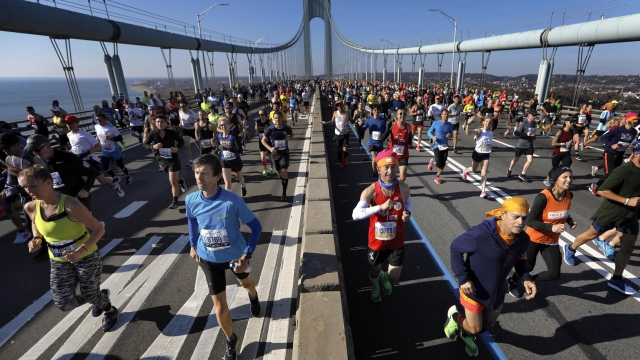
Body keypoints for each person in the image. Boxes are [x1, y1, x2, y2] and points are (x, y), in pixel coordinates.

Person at [19, 165, 118, 332]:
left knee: (89, 294)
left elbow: (99, 229)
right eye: (25, 187)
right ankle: (99, 296)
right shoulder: (30, 207)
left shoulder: (71, 204)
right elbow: (36, 223)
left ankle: (110, 310)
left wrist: (80, 251)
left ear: (48, 182)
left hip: (86, 256)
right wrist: (36, 239)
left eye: (33, 185)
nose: (29, 190)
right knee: (63, 303)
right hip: (58, 260)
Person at [186, 154, 262, 360]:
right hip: (208, 259)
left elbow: (256, 228)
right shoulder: (191, 199)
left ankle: (253, 297)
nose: (199, 178)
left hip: (235, 258)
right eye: (196, 173)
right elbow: (192, 221)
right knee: (219, 308)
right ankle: (230, 339)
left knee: (246, 284)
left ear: (218, 176)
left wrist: (246, 255)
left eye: (204, 174)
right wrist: (193, 245)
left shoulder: (232, 202)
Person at [445, 198, 536, 357]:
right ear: (503, 214)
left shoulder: (523, 239)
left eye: (524, 218)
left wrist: (526, 277)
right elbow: (455, 248)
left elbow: (520, 259)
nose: (520, 222)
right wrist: (463, 278)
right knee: (475, 328)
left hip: (497, 291)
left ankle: (465, 332)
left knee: (489, 323)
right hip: (473, 289)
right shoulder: (481, 234)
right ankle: (456, 318)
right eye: (515, 216)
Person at [564, 142, 640, 295]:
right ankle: (571, 248)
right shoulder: (624, 170)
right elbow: (602, 190)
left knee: (628, 246)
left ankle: (616, 279)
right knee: (591, 234)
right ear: (638, 153)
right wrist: (626, 201)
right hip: (612, 211)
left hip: (631, 215)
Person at [351, 150, 412, 303]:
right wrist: (379, 207)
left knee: (394, 278)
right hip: (377, 242)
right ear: (378, 169)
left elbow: (409, 201)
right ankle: (375, 286)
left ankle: (384, 278)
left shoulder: (404, 188)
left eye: (393, 167)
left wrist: (408, 212)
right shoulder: (370, 191)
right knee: (374, 270)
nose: (389, 171)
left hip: (396, 241)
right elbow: (356, 215)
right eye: (385, 167)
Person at [508, 167, 577, 297]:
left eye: (571, 177)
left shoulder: (569, 195)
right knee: (527, 267)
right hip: (533, 239)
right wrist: (552, 228)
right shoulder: (543, 197)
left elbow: (563, 212)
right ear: (556, 179)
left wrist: (570, 221)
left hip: (551, 241)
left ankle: (529, 280)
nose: (569, 180)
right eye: (565, 177)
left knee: (554, 274)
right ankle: (512, 281)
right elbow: (530, 221)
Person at [25, 134, 97, 212]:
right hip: (56, 199)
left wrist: (86, 189)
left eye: (37, 150)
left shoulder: (68, 157)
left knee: (84, 222)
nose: (35, 153)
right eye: (32, 151)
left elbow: (92, 172)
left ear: (48, 146)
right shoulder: (36, 160)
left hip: (76, 197)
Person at [64, 115, 125, 197]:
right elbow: (74, 146)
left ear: (77, 123)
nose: (69, 125)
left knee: (103, 181)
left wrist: (86, 153)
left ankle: (115, 186)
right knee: (82, 183)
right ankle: (83, 202)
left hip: (92, 161)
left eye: (70, 123)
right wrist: (69, 153)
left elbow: (98, 146)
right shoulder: (69, 135)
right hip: (81, 162)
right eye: (67, 123)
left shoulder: (85, 134)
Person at [143, 115, 187, 209]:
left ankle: (175, 202)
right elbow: (145, 144)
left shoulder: (171, 132)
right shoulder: (153, 133)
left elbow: (181, 141)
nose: (160, 124)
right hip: (162, 159)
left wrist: (177, 148)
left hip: (173, 158)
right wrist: (153, 147)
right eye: (158, 122)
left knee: (172, 181)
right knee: (172, 179)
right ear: (155, 123)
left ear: (166, 123)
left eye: (162, 122)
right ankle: (181, 181)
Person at [589, 112, 639, 196]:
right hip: (609, 153)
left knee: (616, 173)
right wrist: (611, 145)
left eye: (637, 120)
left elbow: (627, 142)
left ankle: (609, 188)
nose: (635, 121)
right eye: (634, 119)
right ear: (628, 120)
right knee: (609, 173)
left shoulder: (633, 132)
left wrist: (629, 146)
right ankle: (595, 185)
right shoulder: (617, 130)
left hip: (620, 154)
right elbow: (603, 138)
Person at [0, 132, 32, 244]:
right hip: (24, 193)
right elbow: (11, 177)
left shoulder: (30, 157)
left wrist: (16, 188)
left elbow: (40, 179)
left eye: (7, 147)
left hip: (39, 193)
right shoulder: (9, 159)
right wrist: (7, 190)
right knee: (30, 222)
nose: (4, 150)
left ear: (18, 144)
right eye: (2, 148)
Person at [262, 112, 294, 201]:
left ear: (281, 118)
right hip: (275, 154)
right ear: (273, 119)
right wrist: (270, 148)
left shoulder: (286, 128)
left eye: (279, 117)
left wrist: (289, 137)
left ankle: (284, 193)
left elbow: (292, 134)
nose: (278, 119)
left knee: (284, 171)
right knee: (278, 172)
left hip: (284, 153)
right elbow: (263, 140)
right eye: (276, 118)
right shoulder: (270, 129)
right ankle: (283, 179)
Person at [94, 114, 133, 185]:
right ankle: (115, 177)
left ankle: (128, 176)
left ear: (105, 119)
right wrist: (98, 138)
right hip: (105, 150)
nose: (98, 121)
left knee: (121, 165)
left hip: (114, 150)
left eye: (100, 119)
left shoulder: (112, 128)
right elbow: (99, 134)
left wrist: (111, 138)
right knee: (104, 166)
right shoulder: (96, 126)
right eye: (97, 119)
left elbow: (120, 138)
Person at [461, 117, 493, 198]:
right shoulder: (480, 131)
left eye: (489, 122)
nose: (488, 123)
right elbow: (468, 133)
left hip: (486, 154)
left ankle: (483, 191)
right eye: (486, 121)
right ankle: (465, 170)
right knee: (473, 169)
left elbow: (502, 136)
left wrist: (508, 130)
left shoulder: (491, 132)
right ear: (483, 122)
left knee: (484, 173)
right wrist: (468, 124)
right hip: (477, 154)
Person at [217, 116, 247, 197]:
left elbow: (240, 150)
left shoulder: (233, 135)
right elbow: (219, 148)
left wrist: (229, 149)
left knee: (239, 177)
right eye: (222, 125)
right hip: (225, 161)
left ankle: (243, 185)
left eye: (225, 124)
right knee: (227, 184)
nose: (223, 126)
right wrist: (217, 149)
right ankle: (229, 201)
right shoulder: (219, 136)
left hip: (235, 160)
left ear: (229, 125)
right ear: (219, 126)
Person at [507, 108, 537, 182]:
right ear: (529, 115)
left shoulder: (534, 123)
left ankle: (522, 174)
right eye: (533, 115)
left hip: (529, 145)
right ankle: (509, 169)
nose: (535, 117)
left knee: (530, 160)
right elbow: (516, 133)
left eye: (536, 115)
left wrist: (533, 136)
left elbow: (532, 132)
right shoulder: (524, 123)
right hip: (521, 145)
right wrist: (525, 134)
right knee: (516, 159)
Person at [543, 117, 575, 187]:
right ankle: (547, 179)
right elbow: (553, 143)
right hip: (557, 153)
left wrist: (573, 142)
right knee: (555, 168)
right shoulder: (560, 132)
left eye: (573, 122)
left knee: (566, 167)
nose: (572, 123)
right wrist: (563, 144)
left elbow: (570, 140)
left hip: (566, 153)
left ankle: (563, 181)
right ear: (566, 123)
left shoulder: (571, 131)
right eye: (571, 122)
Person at [358, 106, 387, 178]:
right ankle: (374, 172)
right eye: (375, 110)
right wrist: (360, 125)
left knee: (380, 159)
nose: (376, 111)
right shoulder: (369, 120)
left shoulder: (383, 121)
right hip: (372, 142)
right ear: (372, 111)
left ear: (379, 111)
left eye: (378, 110)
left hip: (379, 143)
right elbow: (362, 130)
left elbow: (386, 131)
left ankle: (379, 170)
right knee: (374, 157)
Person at [384, 108, 412, 182]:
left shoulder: (408, 126)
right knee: (390, 176)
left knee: (402, 177)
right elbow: (382, 138)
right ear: (396, 115)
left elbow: (409, 139)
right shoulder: (393, 125)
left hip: (403, 155)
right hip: (393, 155)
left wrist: (410, 144)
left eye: (404, 114)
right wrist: (387, 129)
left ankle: (397, 189)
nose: (402, 115)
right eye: (400, 114)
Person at [427, 109, 453, 184]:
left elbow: (451, 133)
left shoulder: (449, 124)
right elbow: (429, 131)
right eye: (444, 114)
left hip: (445, 146)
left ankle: (437, 176)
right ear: (441, 115)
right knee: (440, 163)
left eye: (447, 114)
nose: (446, 115)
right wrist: (432, 137)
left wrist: (449, 135)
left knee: (443, 163)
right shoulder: (436, 123)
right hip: (437, 146)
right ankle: (434, 162)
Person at [323, 101, 351, 168]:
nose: (340, 107)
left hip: (345, 134)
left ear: (343, 105)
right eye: (338, 106)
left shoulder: (347, 113)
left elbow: (351, 120)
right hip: (338, 134)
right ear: (337, 107)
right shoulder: (335, 113)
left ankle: (345, 157)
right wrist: (326, 123)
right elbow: (332, 122)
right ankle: (341, 162)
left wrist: (357, 121)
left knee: (345, 149)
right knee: (339, 149)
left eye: (341, 105)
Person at [178, 102, 200, 166]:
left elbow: (198, 120)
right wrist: (180, 123)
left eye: (183, 106)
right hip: (185, 130)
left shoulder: (191, 113)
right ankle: (190, 161)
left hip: (193, 130)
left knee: (197, 143)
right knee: (187, 146)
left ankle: (204, 154)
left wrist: (191, 124)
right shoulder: (179, 111)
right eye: (181, 107)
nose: (182, 108)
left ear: (187, 106)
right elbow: (180, 118)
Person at [255, 109, 274, 176]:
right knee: (263, 157)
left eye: (262, 114)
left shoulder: (269, 121)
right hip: (261, 141)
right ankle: (265, 168)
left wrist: (267, 132)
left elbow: (273, 131)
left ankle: (272, 167)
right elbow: (256, 131)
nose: (261, 116)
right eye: (259, 115)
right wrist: (257, 131)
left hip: (269, 141)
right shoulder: (257, 121)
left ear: (265, 115)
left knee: (270, 157)